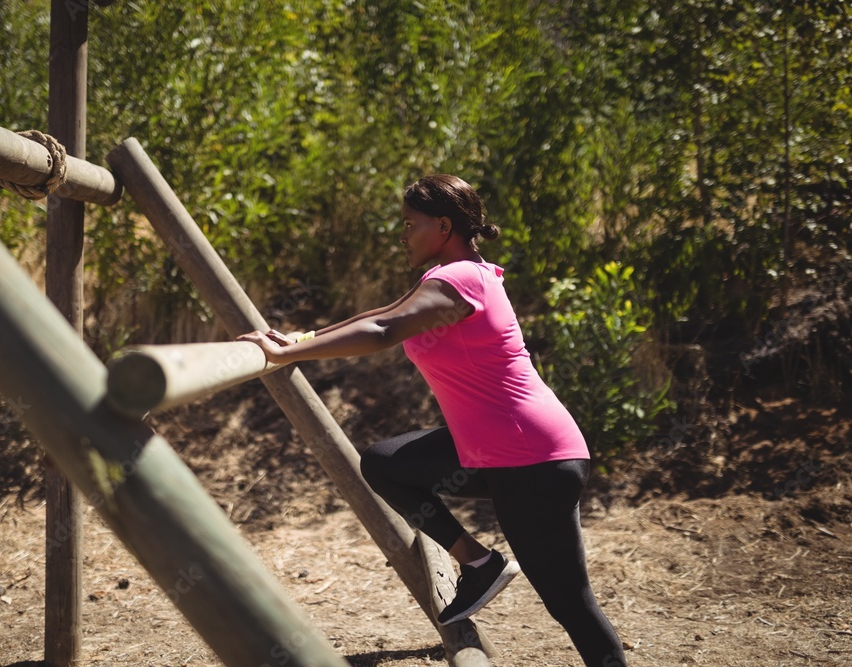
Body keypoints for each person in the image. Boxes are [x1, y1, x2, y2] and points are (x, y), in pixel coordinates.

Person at [238, 174, 627, 666]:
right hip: (501, 451)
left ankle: (486, 570)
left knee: (570, 603)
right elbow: (383, 313)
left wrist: (281, 355)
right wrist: (298, 339)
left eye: (410, 224)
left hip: (531, 457)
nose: (403, 235)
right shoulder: (450, 278)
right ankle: (479, 564)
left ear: (443, 225)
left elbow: (382, 330)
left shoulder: (461, 279)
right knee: (385, 463)